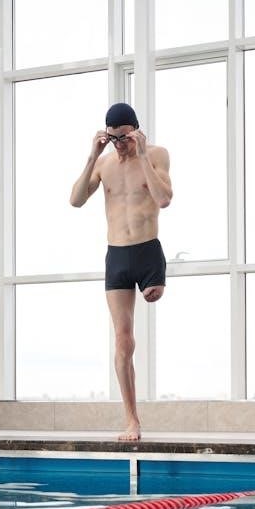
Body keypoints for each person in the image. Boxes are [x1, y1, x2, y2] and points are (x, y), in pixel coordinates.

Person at [69, 103, 173, 441]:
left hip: (147, 251)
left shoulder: (156, 155)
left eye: (125, 138)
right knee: (123, 340)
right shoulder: (104, 164)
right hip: (117, 256)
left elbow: (164, 199)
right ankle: (132, 420)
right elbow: (75, 200)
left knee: (153, 297)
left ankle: (155, 283)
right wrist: (91, 157)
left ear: (137, 132)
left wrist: (141, 155)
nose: (120, 145)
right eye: (113, 139)